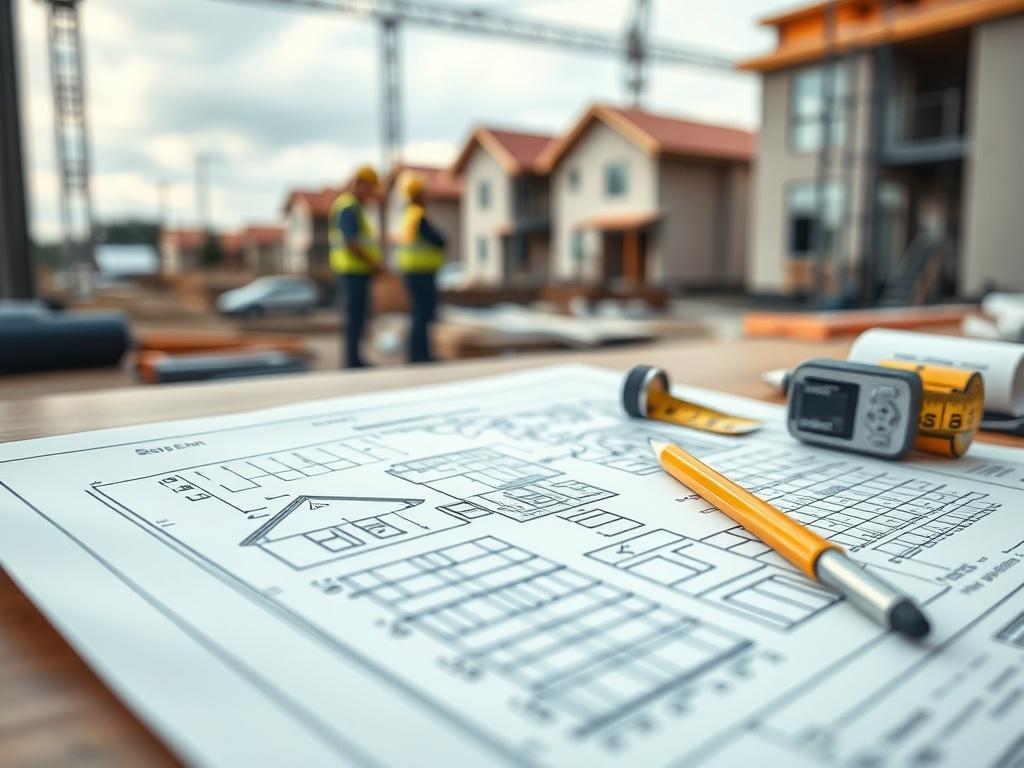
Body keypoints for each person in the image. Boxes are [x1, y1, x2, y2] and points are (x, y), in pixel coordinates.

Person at [329, 165, 381, 368]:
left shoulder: (353, 207)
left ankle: (355, 358)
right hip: (352, 271)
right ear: (360, 183)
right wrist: (374, 264)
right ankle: (352, 361)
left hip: (357, 271)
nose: (371, 194)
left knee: (358, 316)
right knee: (354, 317)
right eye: (370, 188)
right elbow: (352, 244)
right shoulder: (348, 207)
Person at [396, 171, 446, 363]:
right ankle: (420, 355)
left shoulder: (408, 215)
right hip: (421, 272)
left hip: (413, 271)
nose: (427, 194)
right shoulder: (417, 215)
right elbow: (437, 240)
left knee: (419, 313)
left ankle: (418, 354)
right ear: (417, 194)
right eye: (424, 191)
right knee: (422, 314)